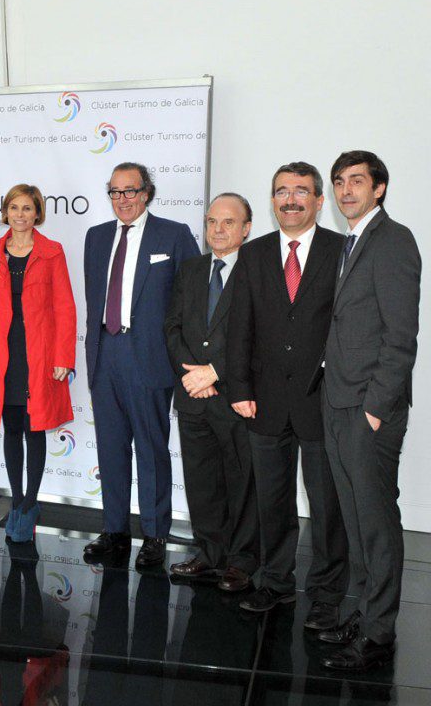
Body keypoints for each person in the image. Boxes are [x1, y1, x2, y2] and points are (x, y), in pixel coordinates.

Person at [226, 161, 348, 629]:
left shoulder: (341, 250)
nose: (290, 199)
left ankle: (326, 595)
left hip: (323, 401)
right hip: (265, 400)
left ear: (318, 200)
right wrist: (239, 387)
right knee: (272, 501)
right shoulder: (253, 254)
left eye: (300, 191)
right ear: (273, 200)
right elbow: (240, 326)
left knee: (327, 506)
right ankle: (275, 582)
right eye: (281, 191)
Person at [318, 151, 420, 671]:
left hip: (368, 409)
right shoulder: (349, 242)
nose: (345, 191)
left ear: (379, 188)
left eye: (356, 181)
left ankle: (378, 634)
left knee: (377, 523)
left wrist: (375, 411)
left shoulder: (394, 240)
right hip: (336, 400)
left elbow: (401, 338)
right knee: (355, 521)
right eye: (339, 182)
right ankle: (358, 614)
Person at [82, 162, 200, 568]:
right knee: (111, 449)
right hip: (105, 355)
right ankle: (114, 530)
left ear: (146, 192)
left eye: (130, 191)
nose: (123, 199)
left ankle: (154, 535)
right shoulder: (96, 237)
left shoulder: (174, 234)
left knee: (151, 450)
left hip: (149, 357)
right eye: (115, 192)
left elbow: (192, 299)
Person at [0, 184, 76, 542]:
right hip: (2, 353)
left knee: (35, 427)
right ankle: (16, 501)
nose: (20, 215)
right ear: (6, 212)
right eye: (14, 208)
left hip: (38, 352)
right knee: (12, 426)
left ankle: (31, 503)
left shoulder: (52, 252)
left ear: (37, 213)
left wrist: (63, 356)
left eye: (27, 208)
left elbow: (65, 308)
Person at [164, 193, 259, 591]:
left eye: (228, 222)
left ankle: (241, 560)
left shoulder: (258, 270)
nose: (218, 230)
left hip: (235, 396)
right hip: (193, 396)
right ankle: (209, 553)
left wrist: (214, 373)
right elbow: (173, 327)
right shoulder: (190, 269)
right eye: (211, 221)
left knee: (241, 481)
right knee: (201, 481)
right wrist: (192, 374)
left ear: (246, 228)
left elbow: (258, 334)